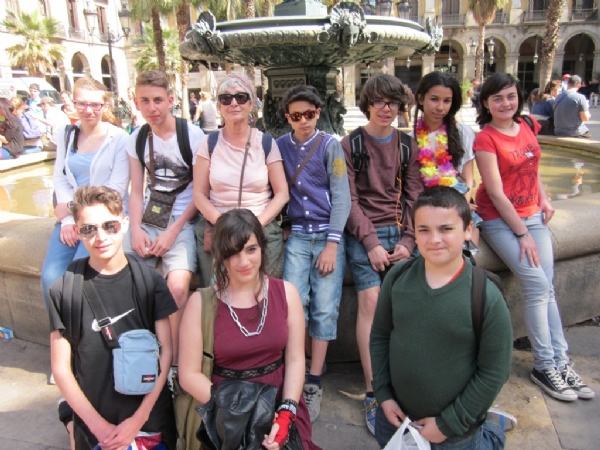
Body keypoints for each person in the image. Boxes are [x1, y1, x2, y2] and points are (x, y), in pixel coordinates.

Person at [474, 72, 595, 402]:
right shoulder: (486, 139)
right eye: (497, 98)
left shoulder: (526, 125)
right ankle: (544, 365)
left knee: (547, 287)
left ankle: (560, 361)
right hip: (500, 220)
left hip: (533, 215)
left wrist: (544, 197)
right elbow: (495, 193)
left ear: (519, 97)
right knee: (538, 285)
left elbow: (532, 166)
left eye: (511, 96)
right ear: (486, 103)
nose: (506, 103)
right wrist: (522, 233)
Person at [370, 186, 513, 450]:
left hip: (455, 432)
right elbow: (380, 336)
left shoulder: (485, 295)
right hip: (395, 419)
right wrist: (383, 394)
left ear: (468, 230)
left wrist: (450, 422)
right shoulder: (398, 278)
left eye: (446, 229)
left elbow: (495, 371)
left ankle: (490, 434)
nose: (434, 239)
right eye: (424, 230)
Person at [179, 208, 321, 450]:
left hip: (280, 402)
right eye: (233, 253)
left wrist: (286, 412)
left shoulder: (287, 293)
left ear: (263, 247)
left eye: (251, 249)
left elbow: (296, 359)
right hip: (225, 410)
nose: (244, 262)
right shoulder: (200, 303)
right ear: (221, 256)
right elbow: (189, 375)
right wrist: (244, 413)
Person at [49, 185, 177, 450]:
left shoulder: (150, 283)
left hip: (149, 420)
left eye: (110, 226)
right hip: (95, 421)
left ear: (125, 223)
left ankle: (68, 417)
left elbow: (166, 353)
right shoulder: (63, 291)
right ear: (78, 231)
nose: (101, 237)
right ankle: (71, 419)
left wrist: (138, 420)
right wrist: (99, 427)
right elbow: (61, 369)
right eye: (89, 229)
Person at [340, 74, 423, 435]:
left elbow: (415, 196)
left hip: (400, 232)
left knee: (409, 306)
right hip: (364, 234)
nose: (386, 108)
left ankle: (407, 383)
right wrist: (371, 242)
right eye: (378, 101)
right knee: (371, 304)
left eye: (392, 102)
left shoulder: (407, 145)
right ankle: (374, 391)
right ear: (367, 104)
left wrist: (409, 241)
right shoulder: (350, 144)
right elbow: (348, 199)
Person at [276, 84, 351, 423]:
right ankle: (297, 368)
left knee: (324, 307)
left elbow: (341, 197)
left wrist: (333, 244)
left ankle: (315, 379)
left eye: (309, 114)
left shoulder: (330, 145)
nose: (303, 121)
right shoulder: (279, 146)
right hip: (297, 237)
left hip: (326, 237)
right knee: (294, 305)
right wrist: (284, 222)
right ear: (287, 117)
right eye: (296, 116)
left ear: (318, 113)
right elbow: (275, 188)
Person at [126, 70, 205, 365]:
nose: (152, 107)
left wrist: (173, 232)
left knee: (178, 289)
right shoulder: (136, 138)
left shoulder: (193, 136)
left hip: (183, 221)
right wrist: (135, 229)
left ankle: (172, 361)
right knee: (121, 279)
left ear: (170, 100)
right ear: (136, 102)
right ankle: (136, 348)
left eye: (157, 100)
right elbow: (136, 191)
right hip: (149, 218)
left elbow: (201, 193)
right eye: (144, 101)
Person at [40, 76, 130, 310]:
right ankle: (60, 329)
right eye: (82, 104)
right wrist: (69, 220)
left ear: (104, 106)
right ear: (73, 103)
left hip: (102, 218)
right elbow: (61, 177)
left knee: (81, 277)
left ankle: (83, 331)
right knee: (50, 279)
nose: (88, 110)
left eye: (95, 105)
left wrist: (72, 209)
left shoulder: (119, 139)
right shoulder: (66, 134)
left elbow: (116, 190)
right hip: (72, 218)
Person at [193, 72, 288, 287]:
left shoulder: (266, 143)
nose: (234, 103)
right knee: (218, 295)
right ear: (219, 106)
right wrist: (224, 224)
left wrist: (255, 224)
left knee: (265, 292)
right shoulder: (208, 144)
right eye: (226, 98)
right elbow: (199, 194)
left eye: (241, 97)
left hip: (261, 224)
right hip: (219, 226)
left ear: (252, 104)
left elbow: (282, 193)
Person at [413, 72, 480, 247]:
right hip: (426, 204)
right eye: (434, 99)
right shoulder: (410, 138)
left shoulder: (463, 133)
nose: (440, 107)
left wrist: (462, 206)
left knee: (466, 244)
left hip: (459, 199)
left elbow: (468, 179)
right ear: (420, 99)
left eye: (447, 101)